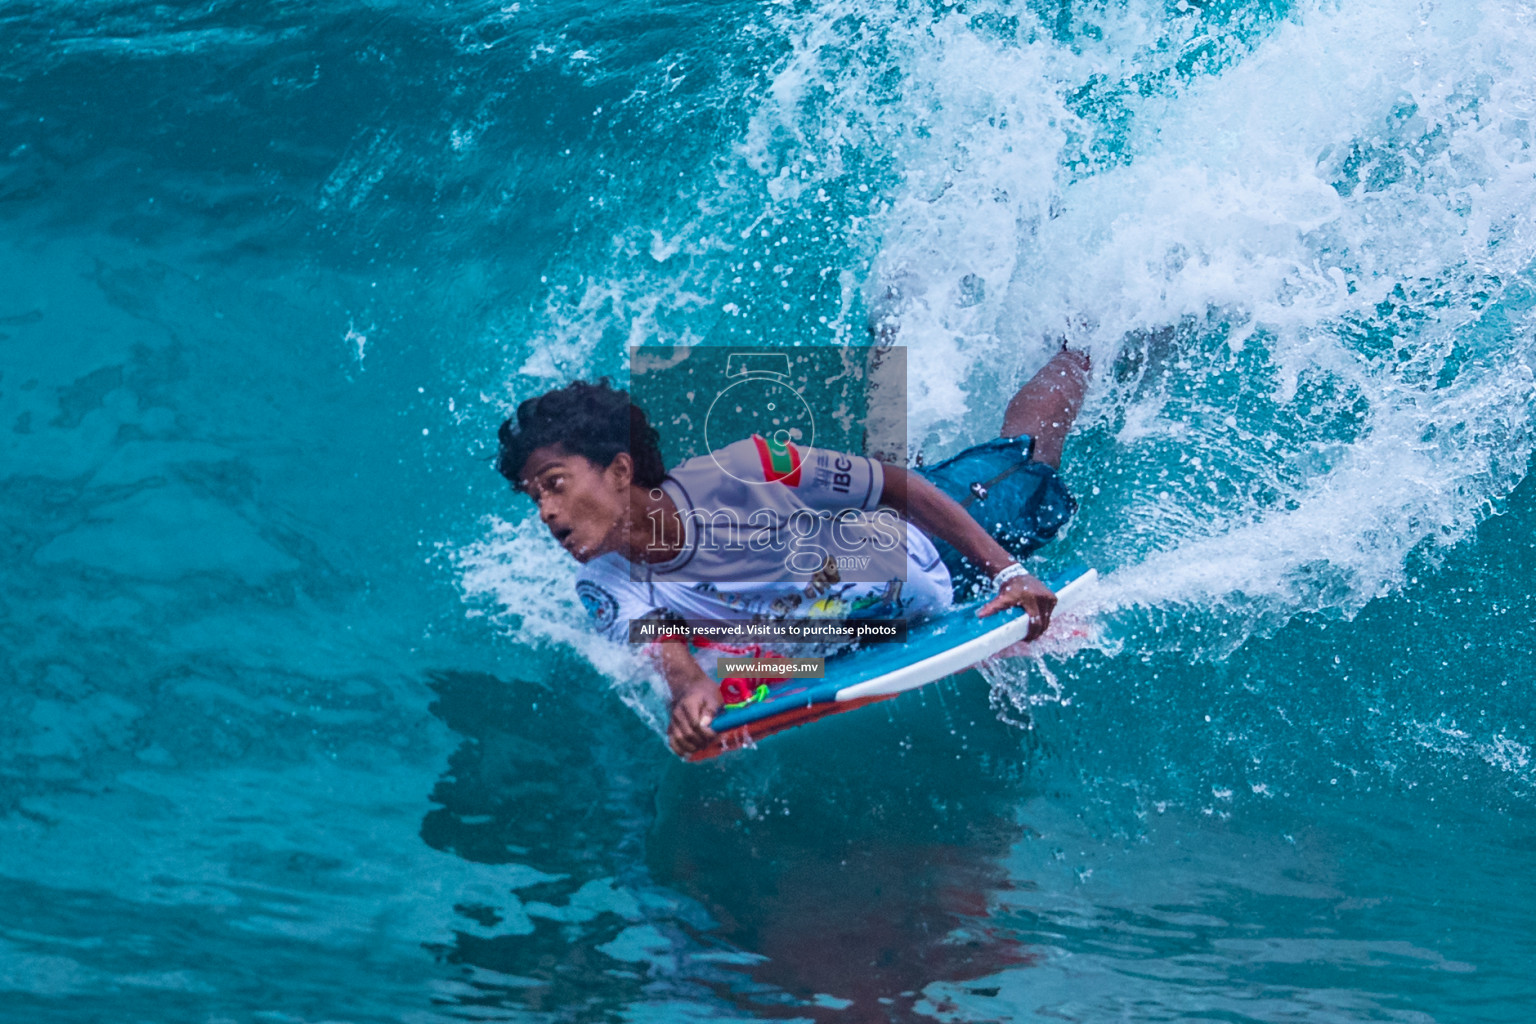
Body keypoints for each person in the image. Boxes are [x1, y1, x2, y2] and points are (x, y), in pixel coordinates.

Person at [496, 347, 1090, 756]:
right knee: (730, 669)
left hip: (924, 553)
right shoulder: (605, 582)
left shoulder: (741, 473)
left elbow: (893, 485)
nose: (545, 512)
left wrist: (1009, 572)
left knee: (1032, 456)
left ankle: (1082, 345)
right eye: (533, 497)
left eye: (554, 484)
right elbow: (667, 649)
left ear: (620, 471)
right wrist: (690, 695)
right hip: (850, 629)